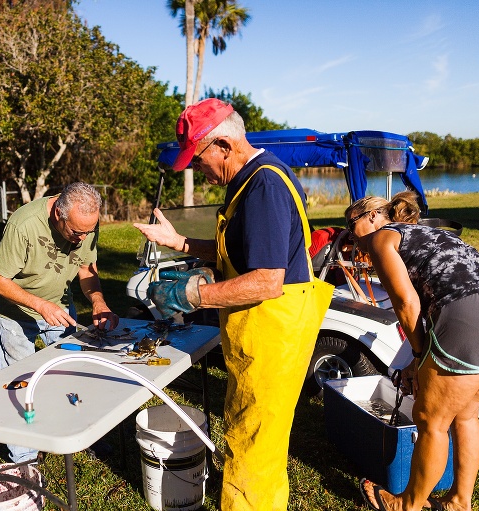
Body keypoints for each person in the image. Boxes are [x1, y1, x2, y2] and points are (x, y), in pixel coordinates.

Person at [133, 98, 333, 510]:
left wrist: (192, 294)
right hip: (264, 340)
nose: (198, 170)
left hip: (272, 344)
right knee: (258, 444)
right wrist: (180, 243)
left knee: (250, 455)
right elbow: (243, 254)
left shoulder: (263, 187)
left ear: (223, 145)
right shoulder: (251, 180)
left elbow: (266, 280)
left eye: (199, 159)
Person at [347, 193, 479, 511]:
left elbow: (408, 304)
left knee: (430, 420)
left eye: (352, 226)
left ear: (375, 217)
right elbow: (425, 311)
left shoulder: (381, 238)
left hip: (464, 315)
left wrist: (420, 358)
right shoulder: (427, 234)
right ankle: (460, 501)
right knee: (466, 415)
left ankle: (407, 504)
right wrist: (413, 358)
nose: (352, 239)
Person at [0, 181, 119, 462]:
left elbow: (86, 268)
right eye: (77, 232)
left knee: (73, 372)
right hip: (18, 311)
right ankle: (24, 456)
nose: (83, 238)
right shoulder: (23, 224)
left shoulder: (84, 222)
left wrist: (98, 301)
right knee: (20, 381)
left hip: (59, 306)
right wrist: (38, 304)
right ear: (59, 215)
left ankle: (80, 432)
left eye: (89, 231)